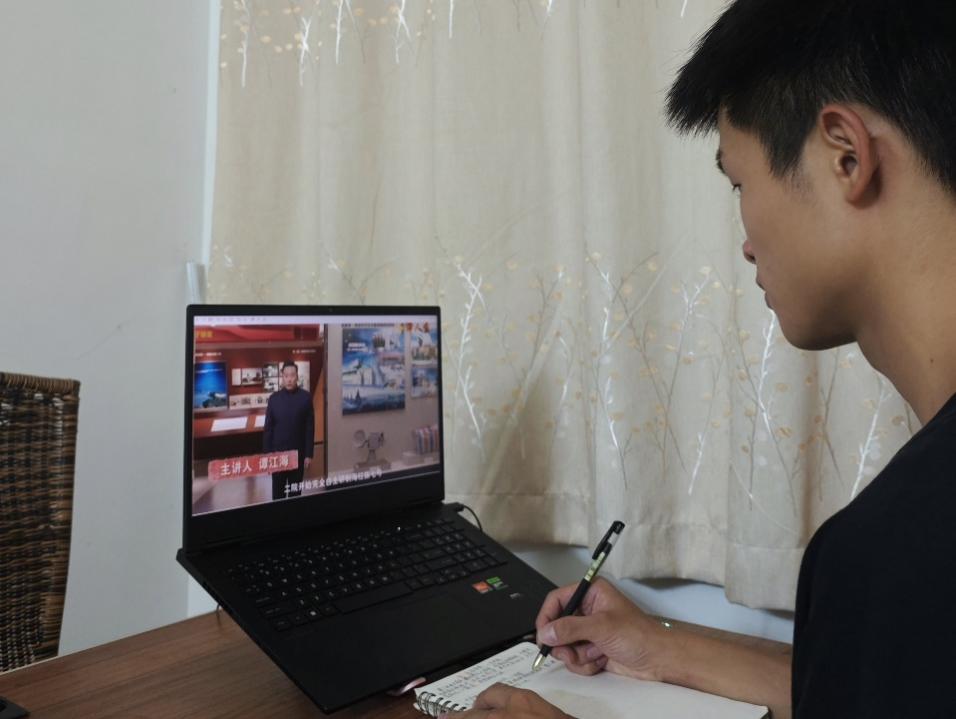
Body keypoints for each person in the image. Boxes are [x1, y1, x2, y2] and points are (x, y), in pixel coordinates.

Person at [450, 1, 956, 717]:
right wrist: (656, 642)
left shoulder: (902, 555)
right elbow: (865, 682)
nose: (745, 242)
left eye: (739, 183)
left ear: (846, 155)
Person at [263, 361, 314, 500]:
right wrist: (267, 455)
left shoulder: (305, 398)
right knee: (278, 495)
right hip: (278, 456)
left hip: (297, 455)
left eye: (292, 375)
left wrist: (308, 454)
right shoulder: (274, 399)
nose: (289, 379)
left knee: (295, 494)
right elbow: (268, 429)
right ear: (282, 377)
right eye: (286, 376)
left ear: (297, 376)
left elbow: (309, 427)